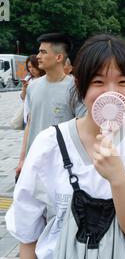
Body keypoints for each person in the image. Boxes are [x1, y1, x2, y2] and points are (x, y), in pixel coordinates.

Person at [5, 33, 125, 259]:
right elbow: (29, 230)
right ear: (80, 86)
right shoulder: (49, 143)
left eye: (123, 82)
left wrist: (118, 179)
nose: (111, 92)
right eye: (98, 81)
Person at [15, 33, 87, 178]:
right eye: (38, 51)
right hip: (34, 161)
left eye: (43, 52)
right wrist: (23, 159)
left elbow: (83, 129)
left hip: (63, 166)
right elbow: (30, 123)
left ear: (59, 57)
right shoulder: (32, 87)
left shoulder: (75, 89)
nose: (38, 56)